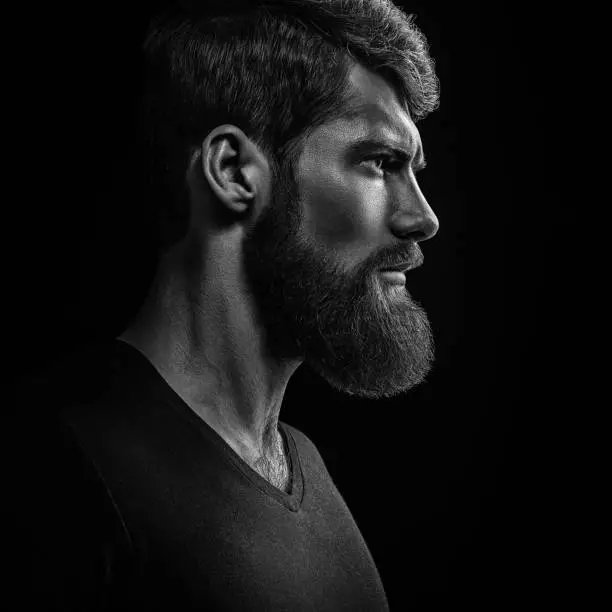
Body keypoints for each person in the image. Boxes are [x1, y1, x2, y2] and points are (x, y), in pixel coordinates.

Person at [22, 0, 440, 609]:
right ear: (234, 172)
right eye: (381, 163)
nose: (423, 218)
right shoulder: (53, 468)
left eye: (417, 171)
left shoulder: (308, 470)